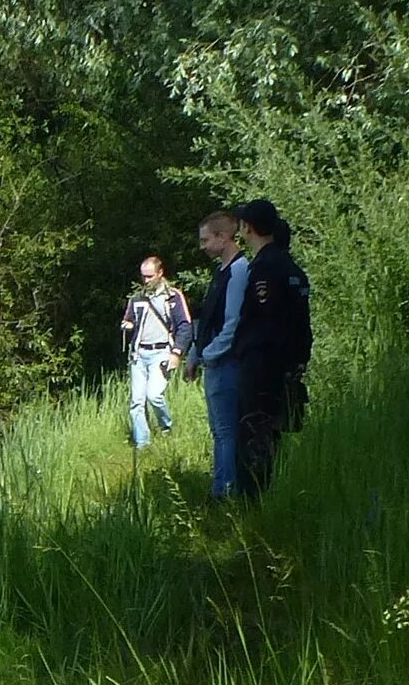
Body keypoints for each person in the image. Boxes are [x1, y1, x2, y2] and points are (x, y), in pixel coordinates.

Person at [225, 198, 313, 501]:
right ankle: (267, 493)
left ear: (248, 228)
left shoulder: (264, 269)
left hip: (262, 364)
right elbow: (302, 325)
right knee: (271, 432)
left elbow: (266, 322)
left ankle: (251, 501)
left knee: (253, 431)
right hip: (287, 365)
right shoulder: (293, 269)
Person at [188, 208, 248, 497]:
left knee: (226, 432)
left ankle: (225, 491)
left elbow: (232, 323)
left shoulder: (239, 271)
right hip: (214, 362)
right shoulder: (221, 272)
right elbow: (209, 319)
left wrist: (209, 354)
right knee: (219, 430)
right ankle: (221, 487)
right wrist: (194, 354)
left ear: (224, 237)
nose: (203, 247)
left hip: (226, 364)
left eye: (206, 240)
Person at [119, 253, 192, 448]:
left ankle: (166, 427)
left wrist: (177, 352)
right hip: (139, 355)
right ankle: (142, 444)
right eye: (143, 276)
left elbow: (185, 326)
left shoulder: (173, 297)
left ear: (160, 273)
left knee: (154, 396)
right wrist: (127, 325)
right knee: (136, 402)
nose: (146, 280)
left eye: (150, 276)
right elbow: (129, 319)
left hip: (162, 353)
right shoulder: (137, 298)